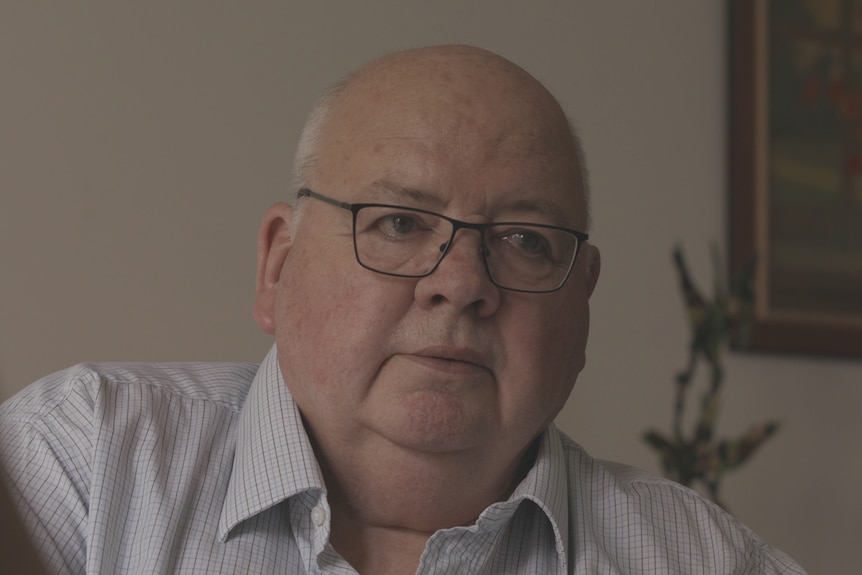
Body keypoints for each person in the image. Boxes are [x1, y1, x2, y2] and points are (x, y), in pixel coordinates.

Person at [0, 45, 806, 574]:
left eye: (524, 240)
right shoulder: (83, 464)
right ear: (278, 262)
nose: (461, 282)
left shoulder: (703, 560)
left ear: (581, 300)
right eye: (399, 223)